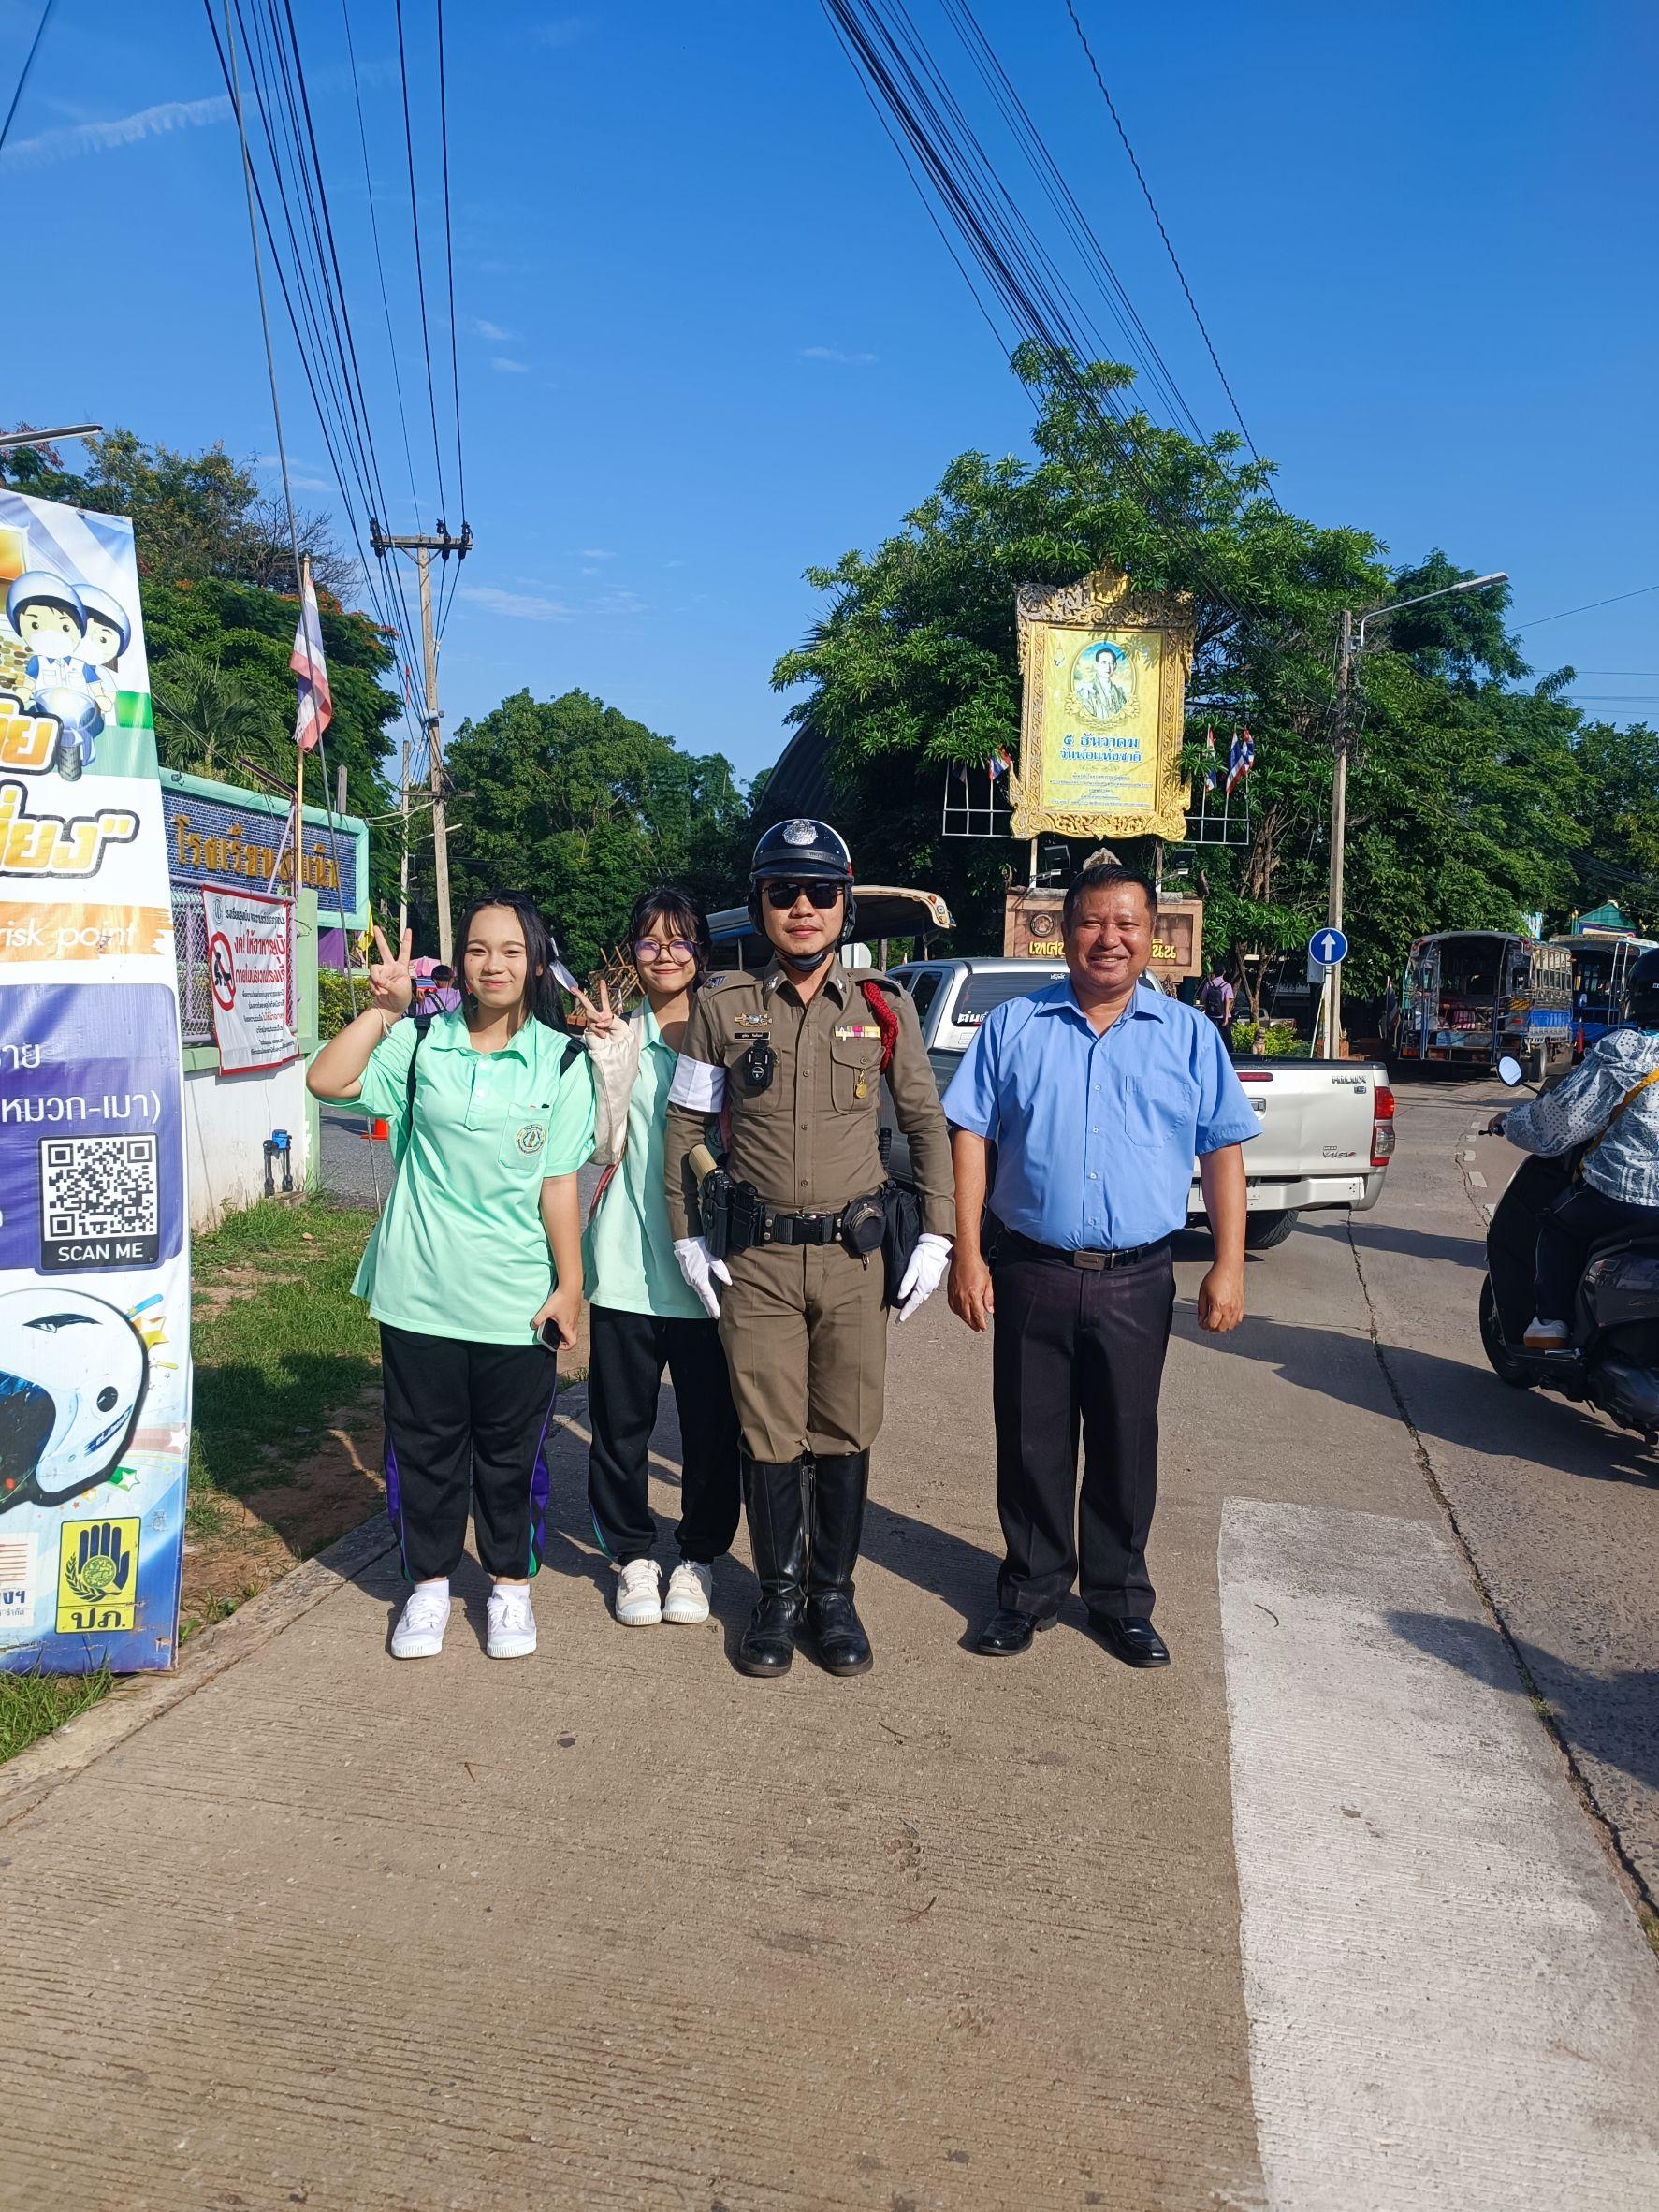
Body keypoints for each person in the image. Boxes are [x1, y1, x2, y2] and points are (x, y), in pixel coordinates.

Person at [943, 860, 1259, 1668]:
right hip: (1031, 1270)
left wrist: (1228, 1265)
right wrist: (967, 1253)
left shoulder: (1188, 1036)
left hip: (1136, 1277)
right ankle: (1028, 1590)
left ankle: (1118, 1599)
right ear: (1064, 931)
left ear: (1152, 935)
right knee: (1030, 1440)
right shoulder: (1013, 1027)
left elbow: (1222, 1151)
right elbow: (969, 1134)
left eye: (1126, 923)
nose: (1108, 939)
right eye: (1091, 921)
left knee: (1125, 1440)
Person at [662, 819, 953, 1681]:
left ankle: (833, 1595)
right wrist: (687, 1237)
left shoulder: (882, 1008)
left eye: (820, 892)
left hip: (852, 1258)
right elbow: (684, 1126)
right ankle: (777, 1596)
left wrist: (938, 1232)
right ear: (759, 905)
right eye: (782, 891)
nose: (802, 907)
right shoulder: (722, 1008)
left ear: (843, 905)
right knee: (768, 1431)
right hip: (755, 1263)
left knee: (844, 1427)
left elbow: (924, 1123)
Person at [306, 893, 594, 1662]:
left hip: (515, 1300)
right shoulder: (420, 1041)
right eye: (477, 949)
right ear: (460, 961)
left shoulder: (563, 1060)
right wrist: (384, 1010)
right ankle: (428, 1587)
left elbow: (558, 1185)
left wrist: (569, 1287)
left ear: (537, 963)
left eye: (510, 950)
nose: (492, 965)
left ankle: (509, 1589)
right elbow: (327, 1081)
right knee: (423, 1451)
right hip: (419, 1292)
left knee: (511, 1456)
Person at [573, 887, 742, 1629]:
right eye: (649, 941)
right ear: (632, 954)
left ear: (700, 950)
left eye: (678, 940)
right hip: (628, 1264)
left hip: (712, 1269)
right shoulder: (621, 1036)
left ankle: (698, 1556)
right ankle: (633, 1556)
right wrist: (607, 1057)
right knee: (620, 1428)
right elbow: (601, 1145)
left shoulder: (731, 1030)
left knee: (711, 1431)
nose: (664, 954)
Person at [1493, 946, 1659, 1348]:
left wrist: (1509, 1122)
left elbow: (1560, 1122)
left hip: (1626, 1194)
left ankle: (1551, 1322)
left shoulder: (1629, 1051)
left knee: (1558, 1225)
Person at [1197, 966, 1234, 1030]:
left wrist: (1206, 1010)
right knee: (1224, 1036)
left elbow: (1202, 999)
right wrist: (1226, 1018)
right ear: (1224, 972)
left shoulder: (1208, 984)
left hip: (1210, 1015)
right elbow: (1227, 1001)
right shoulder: (1227, 986)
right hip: (1222, 1017)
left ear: (1214, 973)